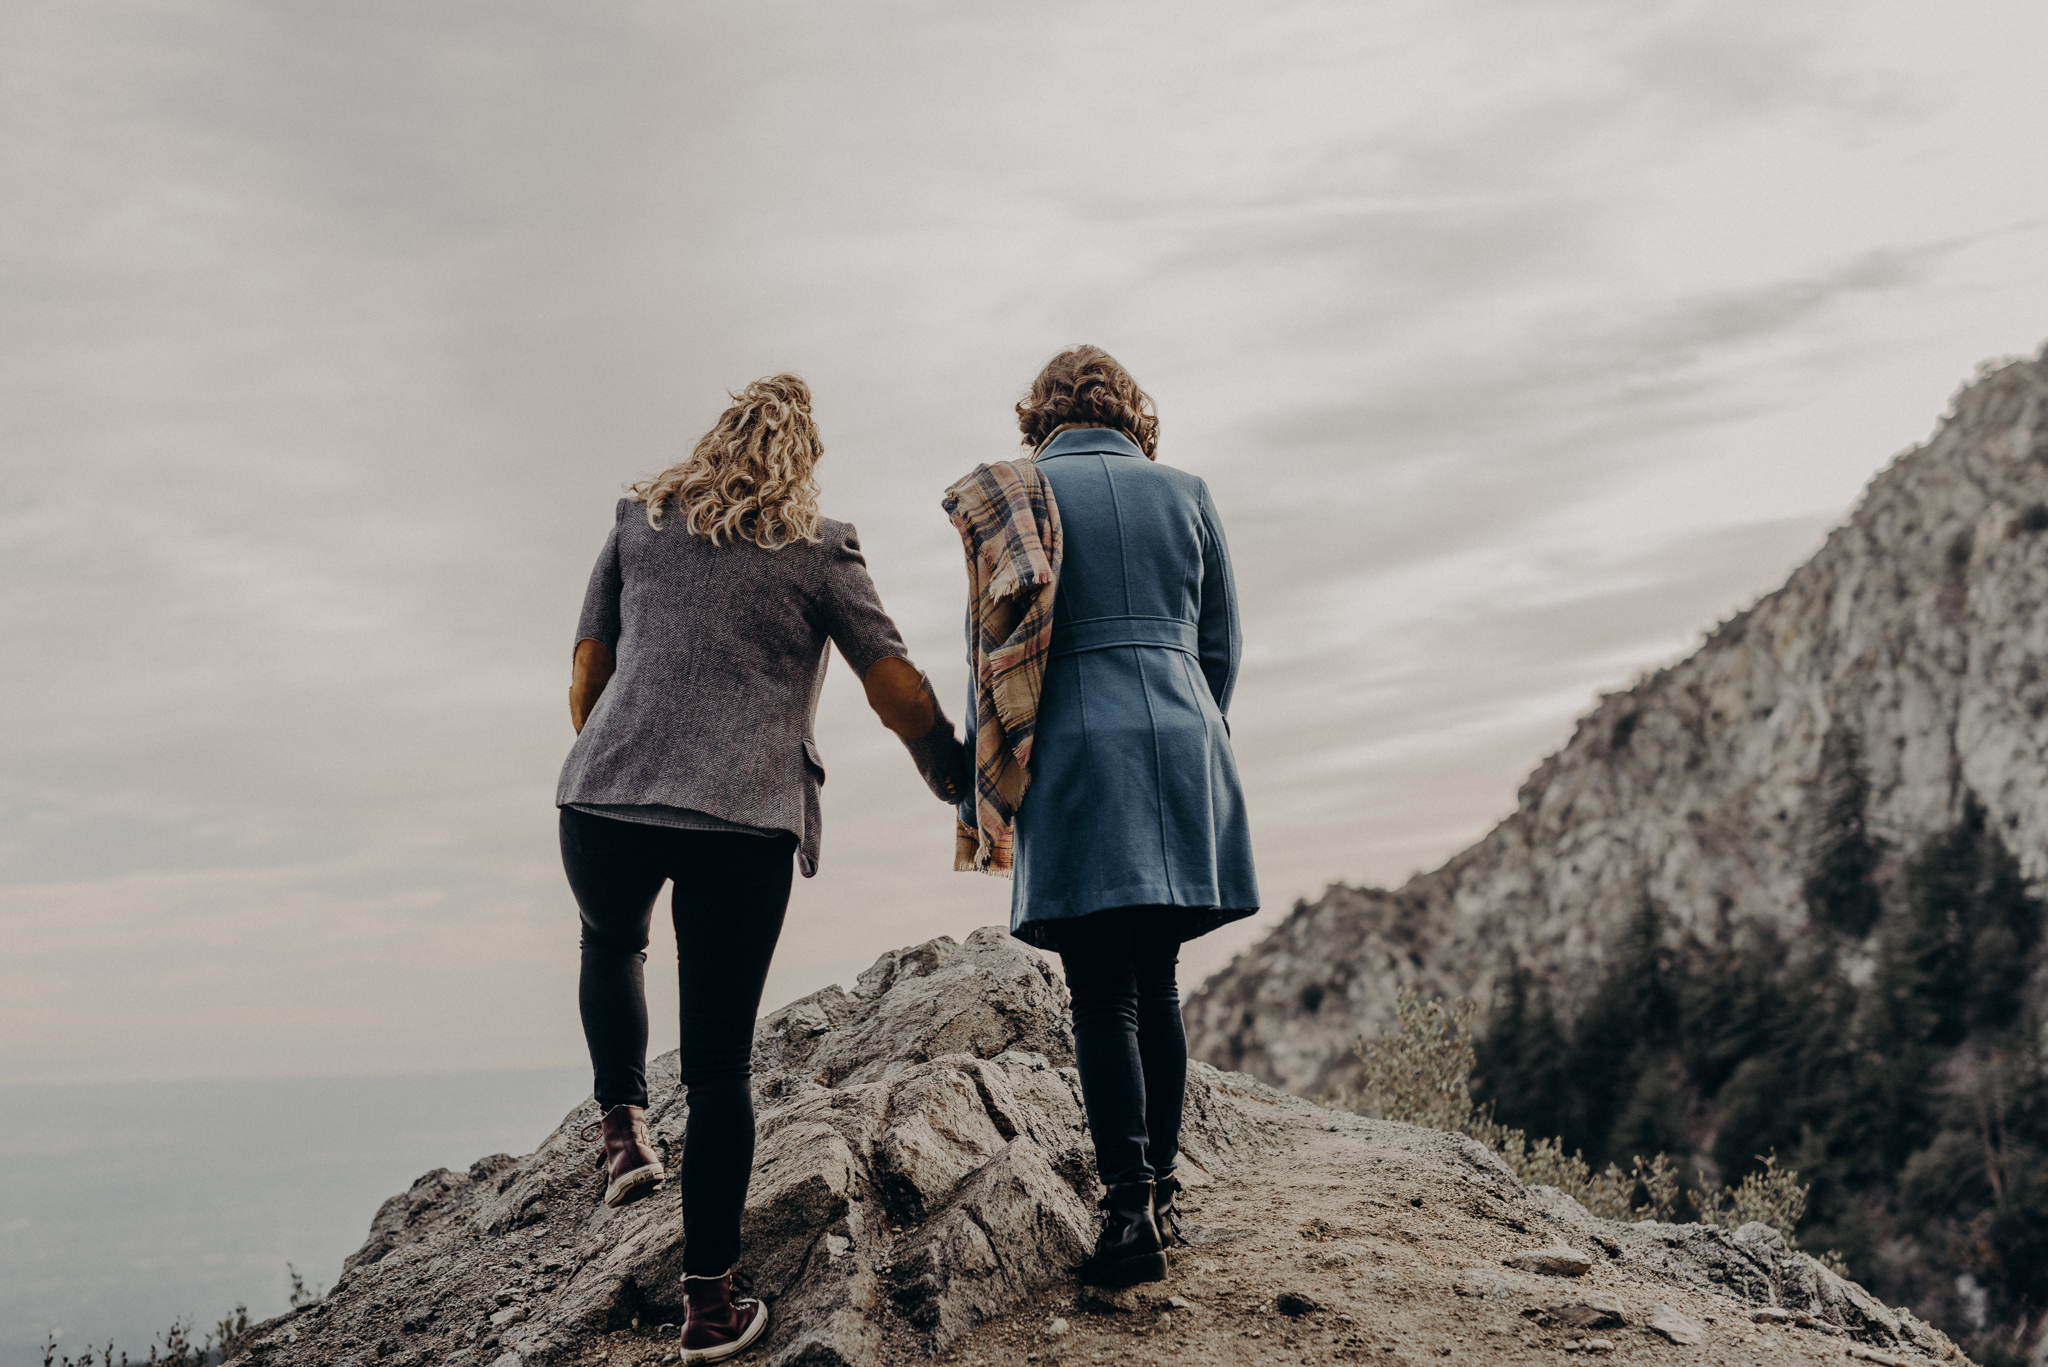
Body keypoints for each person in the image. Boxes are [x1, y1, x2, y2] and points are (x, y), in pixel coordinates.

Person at [557, 374, 968, 1362]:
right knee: (718, 1064)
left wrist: (620, 759)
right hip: (740, 821)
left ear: (713, 442)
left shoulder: (638, 521)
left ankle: (621, 1130)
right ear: (801, 462)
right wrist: (954, 771)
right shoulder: (821, 550)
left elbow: (587, 667)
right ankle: (707, 1306)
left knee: (610, 941)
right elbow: (894, 685)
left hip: (605, 795)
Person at [963, 347, 1259, 1288]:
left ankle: (1128, 1211)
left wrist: (988, 770)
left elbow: (990, 650)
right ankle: (1161, 1190)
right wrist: (1182, 717)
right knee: (1158, 980)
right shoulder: (1187, 492)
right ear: (1132, 413)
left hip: (1078, 753)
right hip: (1181, 744)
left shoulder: (1018, 499)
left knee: (1100, 990)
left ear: (1038, 416)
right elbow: (1224, 646)